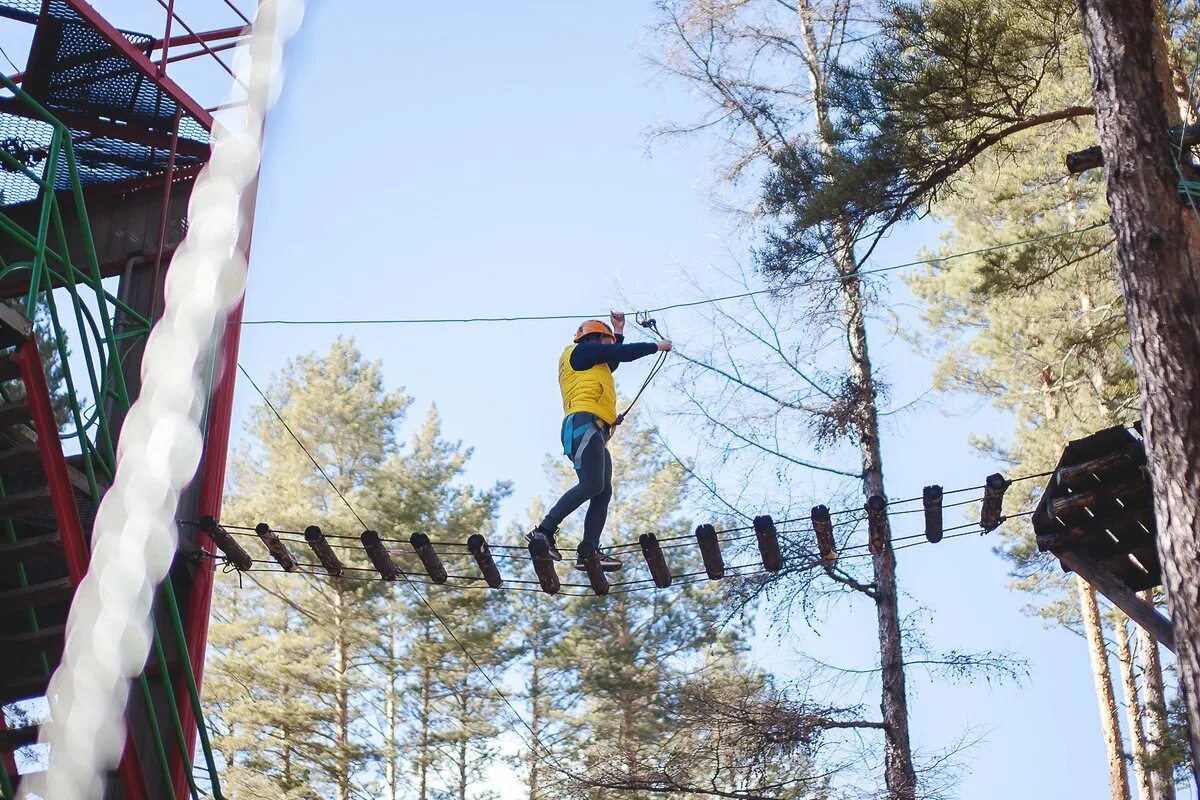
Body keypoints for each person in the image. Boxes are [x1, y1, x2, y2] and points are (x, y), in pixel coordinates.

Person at [527, 311, 672, 571]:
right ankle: (543, 532)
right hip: (583, 424)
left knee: (602, 490)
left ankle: (588, 550)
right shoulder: (579, 352)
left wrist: (618, 329)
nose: (612, 347)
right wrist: (656, 346)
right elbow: (618, 355)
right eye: (607, 342)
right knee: (592, 484)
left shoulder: (592, 363)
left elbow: (611, 359)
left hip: (594, 429)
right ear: (592, 339)